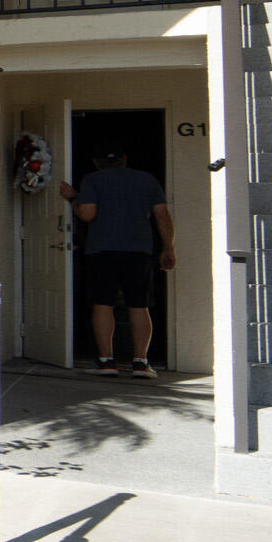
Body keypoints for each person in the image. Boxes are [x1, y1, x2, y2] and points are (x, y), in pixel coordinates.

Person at [64, 149, 174, 376]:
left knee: (103, 304)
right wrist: (168, 248)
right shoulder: (146, 179)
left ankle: (106, 361)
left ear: (96, 161)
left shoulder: (92, 179)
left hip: (102, 249)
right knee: (139, 305)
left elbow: (87, 214)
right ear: (125, 159)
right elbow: (162, 216)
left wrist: (73, 198)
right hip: (139, 249)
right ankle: (141, 362)